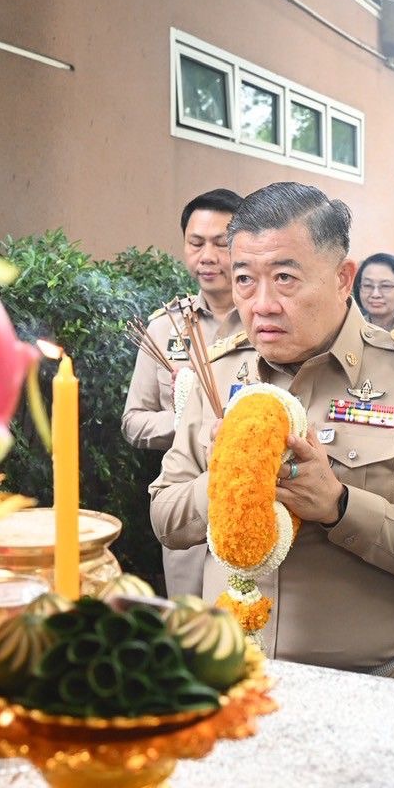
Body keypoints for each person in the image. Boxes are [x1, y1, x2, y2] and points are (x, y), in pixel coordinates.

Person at [150, 182, 394, 675]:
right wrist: (229, 478)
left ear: (342, 278)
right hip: (228, 675)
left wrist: (340, 508)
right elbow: (165, 517)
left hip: (364, 689)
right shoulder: (219, 373)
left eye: (285, 277)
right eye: (244, 279)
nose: (261, 304)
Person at [121, 188, 243, 596]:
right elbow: (134, 421)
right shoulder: (166, 328)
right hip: (188, 505)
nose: (207, 256)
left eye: (221, 243)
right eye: (196, 243)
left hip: (254, 504)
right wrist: (188, 419)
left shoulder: (268, 326)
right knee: (193, 634)